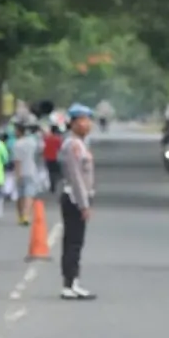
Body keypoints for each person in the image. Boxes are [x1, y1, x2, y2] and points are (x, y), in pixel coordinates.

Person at [59, 103, 97, 300]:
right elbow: (76, 178)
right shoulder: (73, 145)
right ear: (72, 123)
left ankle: (73, 282)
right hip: (74, 198)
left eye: (88, 120)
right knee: (73, 242)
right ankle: (69, 283)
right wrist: (83, 204)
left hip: (78, 197)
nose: (86, 125)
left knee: (75, 242)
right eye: (82, 121)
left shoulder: (80, 143)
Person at [13, 123, 41, 225]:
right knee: (29, 194)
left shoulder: (17, 144)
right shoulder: (32, 142)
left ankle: (21, 216)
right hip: (31, 171)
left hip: (21, 172)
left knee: (20, 195)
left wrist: (17, 175)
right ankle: (26, 215)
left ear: (19, 131)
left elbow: (17, 161)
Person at [44, 125, 63, 193]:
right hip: (55, 157)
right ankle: (57, 184)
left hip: (47, 157)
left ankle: (52, 186)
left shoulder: (46, 138)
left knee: (50, 172)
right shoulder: (58, 139)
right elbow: (60, 148)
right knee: (57, 172)